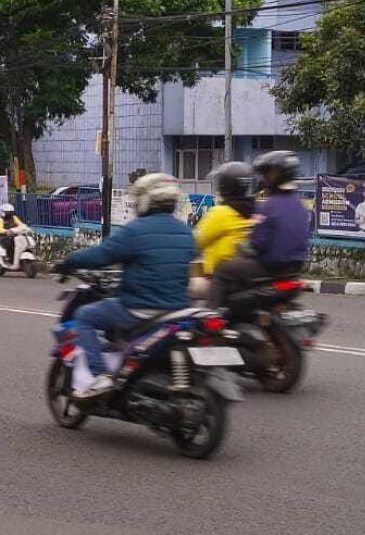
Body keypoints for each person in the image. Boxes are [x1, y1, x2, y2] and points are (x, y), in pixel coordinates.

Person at [56, 173, 195, 399]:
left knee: (84, 316)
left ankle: (100, 375)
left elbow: (101, 254)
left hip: (139, 308)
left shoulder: (135, 230)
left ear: (148, 199)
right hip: (177, 310)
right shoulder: (186, 232)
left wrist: (68, 261)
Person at [211, 151, 311, 308]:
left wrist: (240, 247)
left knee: (223, 270)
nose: (265, 178)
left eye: (268, 172)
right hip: (294, 270)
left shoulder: (269, 205)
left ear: (278, 173)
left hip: (269, 269)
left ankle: (210, 318)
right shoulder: (299, 205)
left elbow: (258, 244)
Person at [191, 162, 254, 303]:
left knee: (186, 288)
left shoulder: (221, 212)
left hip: (220, 280)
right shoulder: (255, 208)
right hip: (250, 277)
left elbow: (195, 241)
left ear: (225, 185)